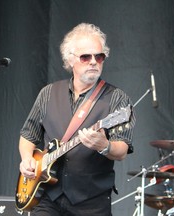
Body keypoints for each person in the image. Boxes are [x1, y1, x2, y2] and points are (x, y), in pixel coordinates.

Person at [18, 23, 136, 216]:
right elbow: (27, 135)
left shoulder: (117, 99)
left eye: (99, 57)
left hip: (92, 201)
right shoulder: (48, 93)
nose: (93, 62)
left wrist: (104, 145)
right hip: (49, 197)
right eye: (85, 57)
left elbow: (121, 149)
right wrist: (27, 159)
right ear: (70, 60)